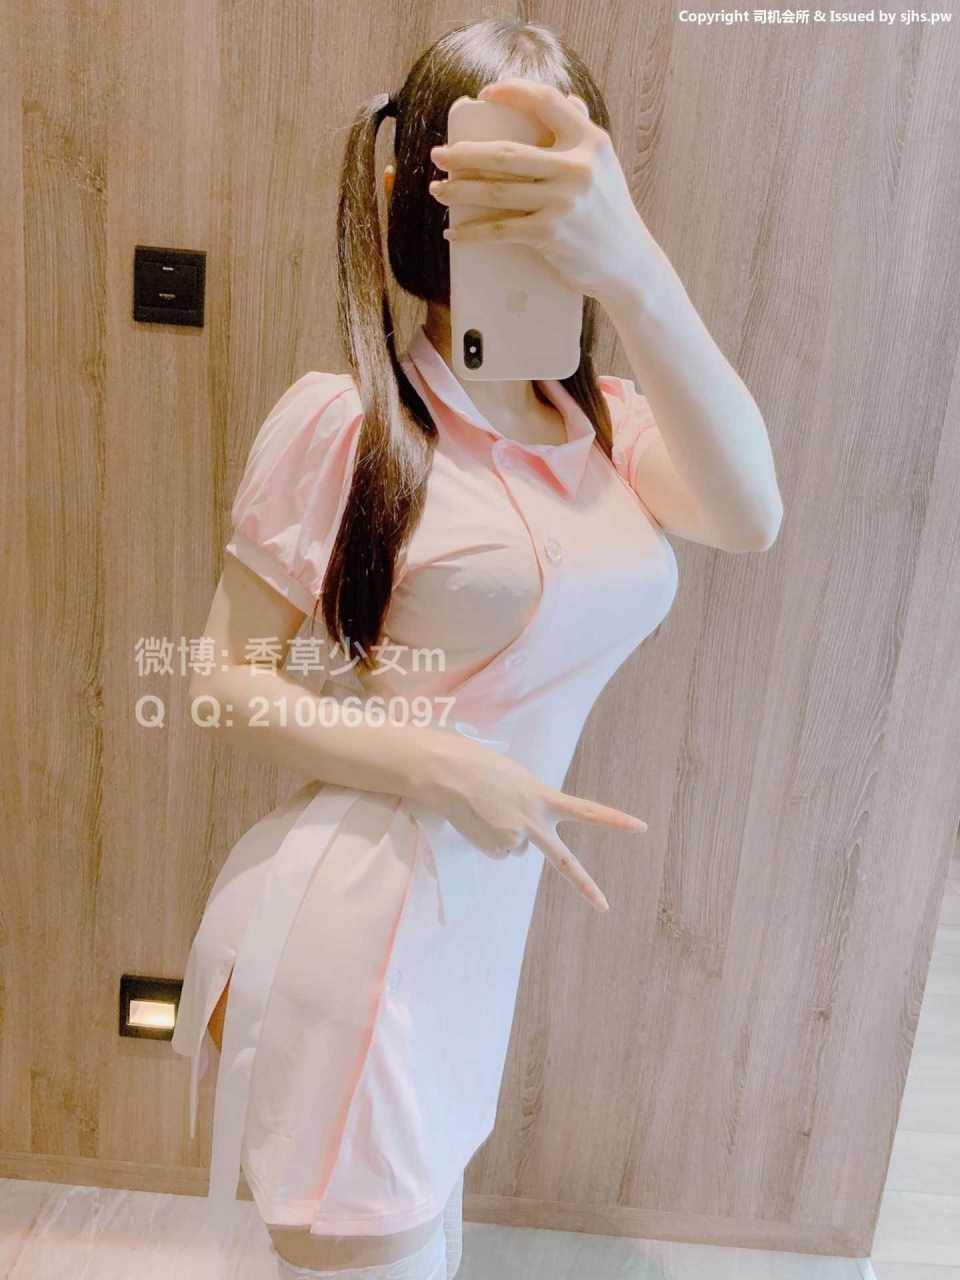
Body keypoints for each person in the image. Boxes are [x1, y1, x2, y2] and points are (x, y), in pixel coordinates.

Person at [171, 17, 782, 1280]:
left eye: (562, 166)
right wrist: (449, 766)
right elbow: (219, 684)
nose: (532, 201)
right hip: (355, 941)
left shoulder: (605, 428)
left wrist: (635, 269)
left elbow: (752, 513)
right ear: (418, 191)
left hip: (468, 946)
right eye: (497, 165)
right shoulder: (348, 423)